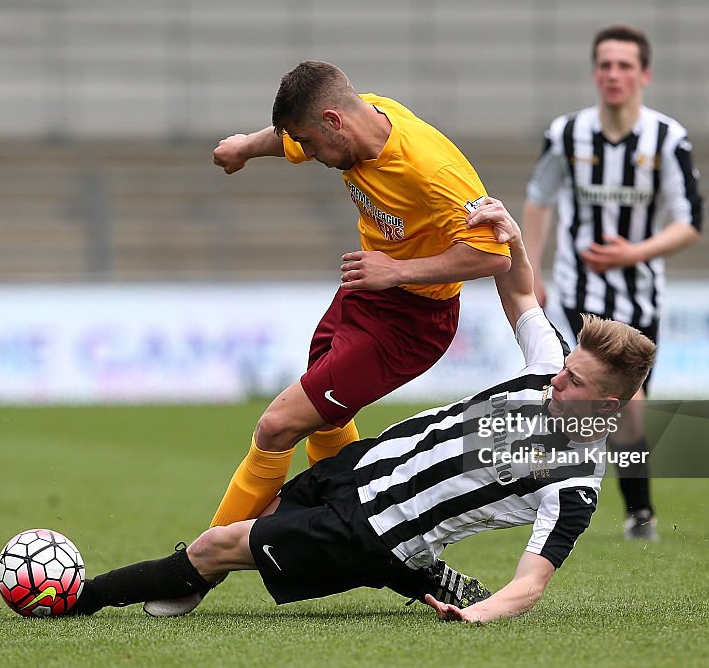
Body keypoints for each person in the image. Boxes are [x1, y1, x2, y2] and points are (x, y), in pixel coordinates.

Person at [67, 200, 657, 622]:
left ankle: (72, 598)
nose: (557, 378)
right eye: (564, 365)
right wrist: (514, 236)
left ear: (607, 404)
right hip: (361, 465)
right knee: (228, 537)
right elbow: (522, 292)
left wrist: (481, 614)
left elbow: (532, 582)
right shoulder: (545, 371)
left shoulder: (576, 481)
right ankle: (418, 573)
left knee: (210, 549)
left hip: (371, 533)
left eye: (573, 380)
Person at [207, 61, 511, 529]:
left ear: (333, 122)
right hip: (363, 295)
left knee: (276, 425)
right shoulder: (355, 121)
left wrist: (397, 270)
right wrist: (246, 147)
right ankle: (360, 526)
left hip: (412, 321)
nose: (307, 153)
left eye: (309, 142)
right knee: (325, 420)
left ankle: (196, 567)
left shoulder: (431, 169)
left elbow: (494, 255)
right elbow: (286, 138)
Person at [522, 24, 704, 540]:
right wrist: (531, 270)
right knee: (566, 394)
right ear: (594, 72)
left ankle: (631, 507)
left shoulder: (668, 138)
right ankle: (563, 501)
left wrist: (634, 252)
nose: (613, 74)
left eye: (625, 65)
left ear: (644, 74)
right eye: (605, 64)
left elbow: (689, 222)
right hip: (577, 297)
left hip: (639, 299)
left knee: (623, 408)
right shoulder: (566, 134)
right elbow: (539, 199)